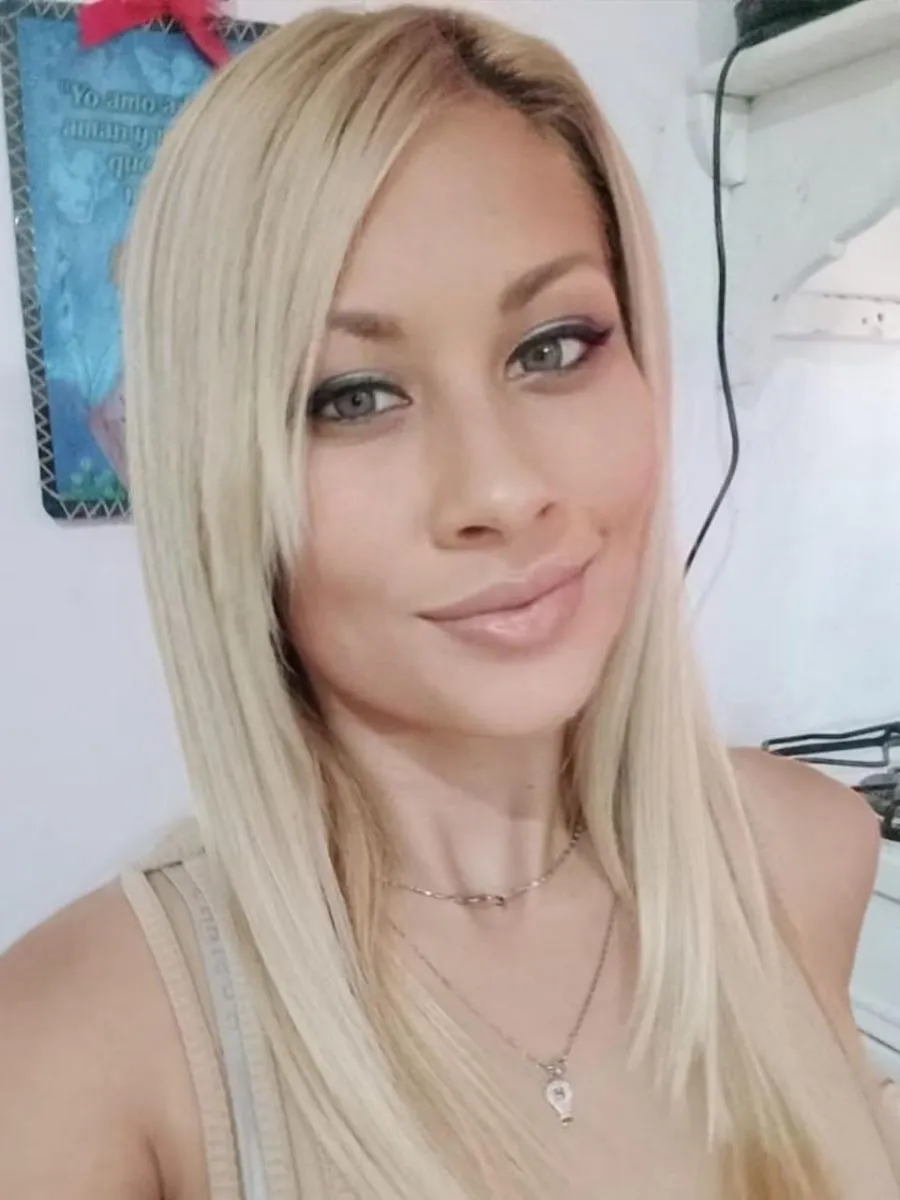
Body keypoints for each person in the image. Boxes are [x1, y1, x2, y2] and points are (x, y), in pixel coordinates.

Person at [1, 6, 898, 1198]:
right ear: (218, 477)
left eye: (554, 346)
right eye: (354, 396)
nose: (501, 491)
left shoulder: (809, 854)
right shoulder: (71, 1065)